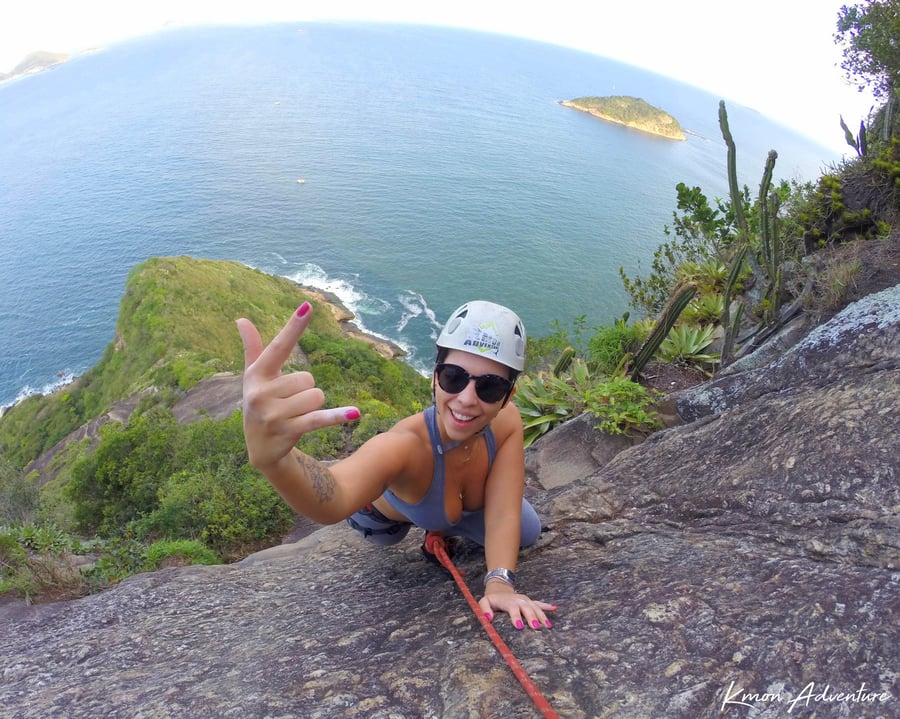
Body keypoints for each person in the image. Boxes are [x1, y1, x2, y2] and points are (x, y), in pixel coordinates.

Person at [237, 299, 556, 630]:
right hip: (382, 520)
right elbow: (335, 496)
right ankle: (434, 523)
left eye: (490, 387)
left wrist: (500, 583)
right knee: (388, 536)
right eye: (453, 377)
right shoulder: (405, 445)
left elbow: (504, 511)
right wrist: (276, 459)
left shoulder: (507, 423)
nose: (466, 398)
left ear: (509, 396)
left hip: (454, 509)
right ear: (434, 377)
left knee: (526, 530)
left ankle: (441, 525)